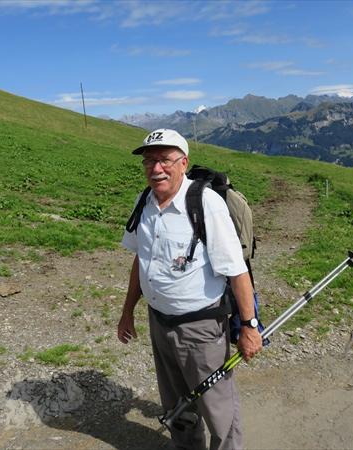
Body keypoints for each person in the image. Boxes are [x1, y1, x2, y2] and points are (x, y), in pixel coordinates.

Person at [117, 128, 263, 450]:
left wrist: (250, 327)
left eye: (165, 160)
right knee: (177, 406)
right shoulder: (144, 202)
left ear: (183, 163)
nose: (156, 169)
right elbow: (141, 259)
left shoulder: (205, 204)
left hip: (200, 330)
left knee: (219, 413)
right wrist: (128, 312)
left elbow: (236, 270)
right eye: (149, 161)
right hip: (160, 323)